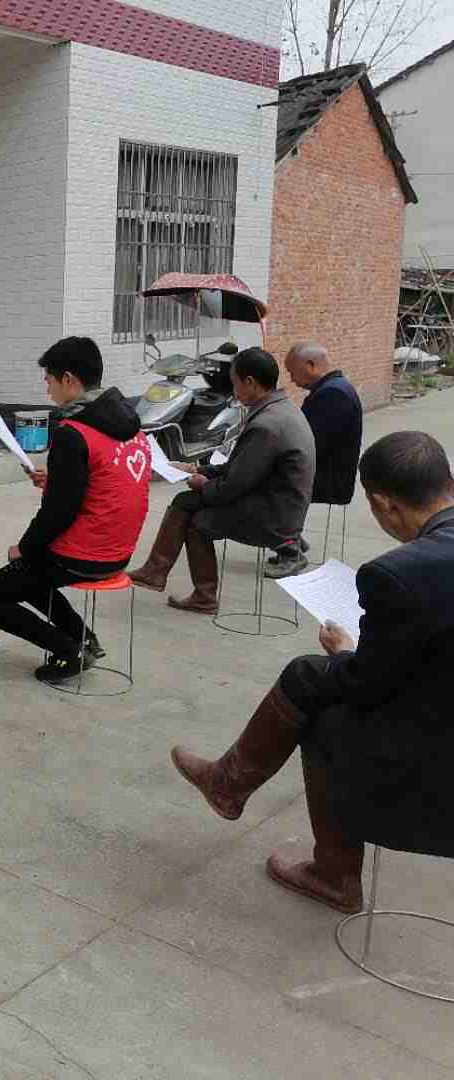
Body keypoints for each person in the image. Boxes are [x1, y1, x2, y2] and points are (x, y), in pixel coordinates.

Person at [170, 431, 454, 913]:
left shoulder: (401, 572)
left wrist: (344, 652)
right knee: (312, 679)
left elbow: (365, 685)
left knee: (319, 703)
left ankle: (331, 872)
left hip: (435, 751)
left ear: (383, 505)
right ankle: (229, 783)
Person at [0, 337, 151, 684]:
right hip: (120, 552)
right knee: (29, 573)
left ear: (68, 379)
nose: (47, 389)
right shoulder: (127, 424)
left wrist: (24, 547)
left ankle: (68, 649)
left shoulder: (74, 432)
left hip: (84, 556)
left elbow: (58, 513)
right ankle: (83, 639)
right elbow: (104, 483)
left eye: (48, 380)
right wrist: (55, 480)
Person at [128, 347, 314, 613]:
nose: (233, 390)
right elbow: (242, 467)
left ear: (250, 382)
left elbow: (234, 485)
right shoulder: (280, 408)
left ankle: (203, 596)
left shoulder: (266, 425)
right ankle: (155, 571)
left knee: (200, 523)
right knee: (184, 500)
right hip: (272, 499)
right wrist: (197, 469)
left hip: (274, 514)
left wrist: (203, 485)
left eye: (234, 383)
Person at [266, 342, 363, 577]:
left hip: (327, 476)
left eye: (292, 372)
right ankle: (290, 538)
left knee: (262, 484)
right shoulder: (333, 388)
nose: (291, 379)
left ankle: (290, 550)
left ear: (311, 365)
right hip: (320, 469)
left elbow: (309, 444)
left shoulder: (333, 394)